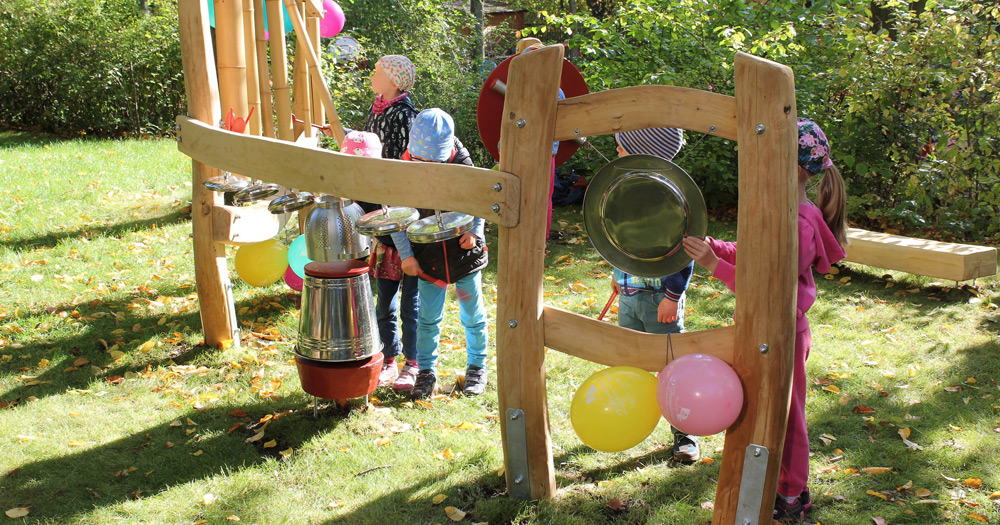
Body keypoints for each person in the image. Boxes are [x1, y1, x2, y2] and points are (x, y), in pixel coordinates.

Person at [682, 118, 847, 522]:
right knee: (762, 410)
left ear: (791, 167)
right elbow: (754, 252)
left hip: (784, 332)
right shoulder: (779, 210)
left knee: (787, 419)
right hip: (761, 330)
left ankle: (792, 495)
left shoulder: (801, 224)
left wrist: (714, 265)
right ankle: (774, 483)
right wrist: (717, 247)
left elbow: (769, 288)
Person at [328, 55, 420, 390]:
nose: (372, 75)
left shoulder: (405, 114)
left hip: (400, 214)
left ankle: (413, 360)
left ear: (395, 81)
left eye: (379, 72)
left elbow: (405, 164)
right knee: (385, 300)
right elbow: (370, 144)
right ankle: (389, 356)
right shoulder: (378, 107)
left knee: (409, 302)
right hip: (378, 214)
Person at [608, 127, 700, 464]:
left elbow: (683, 248)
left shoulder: (669, 195)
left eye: (621, 147)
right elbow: (623, 239)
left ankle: (684, 432)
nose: (616, 152)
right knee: (631, 360)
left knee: (670, 366)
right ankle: (629, 420)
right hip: (629, 294)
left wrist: (673, 295)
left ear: (640, 151)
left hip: (660, 297)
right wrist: (617, 276)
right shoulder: (627, 190)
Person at [389, 108, 490, 399]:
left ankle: (477, 368)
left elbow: (480, 200)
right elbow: (397, 215)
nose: (427, 167)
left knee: (473, 316)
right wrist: (406, 255)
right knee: (427, 318)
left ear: (446, 155)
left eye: (434, 162)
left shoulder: (463, 165)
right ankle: (425, 372)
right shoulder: (404, 169)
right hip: (427, 259)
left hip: (464, 256)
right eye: (422, 162)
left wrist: (475, 232)